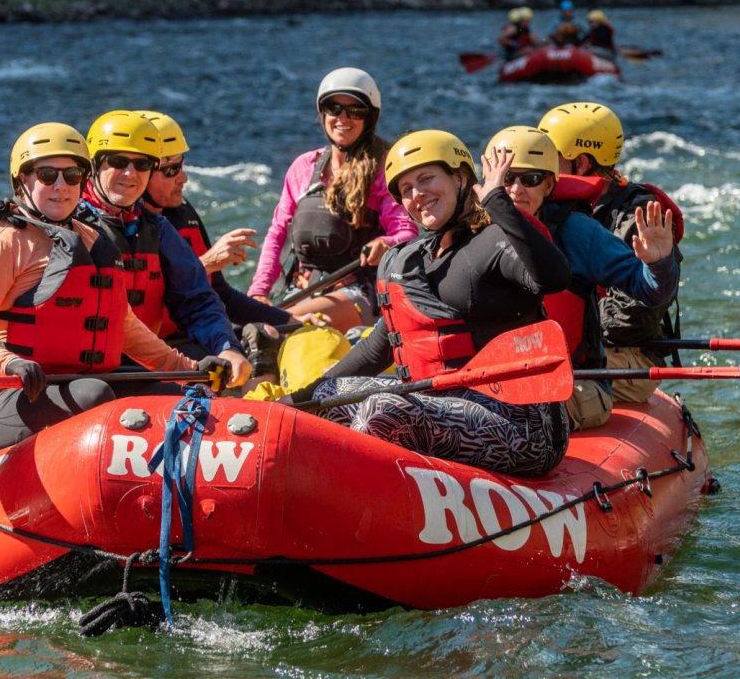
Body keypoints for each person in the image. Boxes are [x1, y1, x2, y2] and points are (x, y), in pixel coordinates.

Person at [285, 130, 572, 477]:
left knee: (382, 409)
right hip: (436, 402)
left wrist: (497, 200)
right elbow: (379, 347)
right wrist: (299, 400)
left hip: (522, 422)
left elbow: (554, 277)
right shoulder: (404, 260)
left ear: (460, 178)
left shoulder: (496, 243)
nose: (417, 195)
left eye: (426, 180)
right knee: (331, 396)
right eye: (406, 190)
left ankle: (360, 504)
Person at [0, 123, 226, 453]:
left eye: (72, 176)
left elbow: (126, 326)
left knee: (179, 398)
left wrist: (190, 370)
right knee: (94, 394)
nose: (61, 186)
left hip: (78, 386)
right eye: (47, 175)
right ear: (22, 180)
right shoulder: (5, 241)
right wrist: (8, 362)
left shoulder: (91, 240)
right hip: (5, 398)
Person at [486, 126, 677, 430]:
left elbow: (649, 290)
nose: (516, 189)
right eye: (507, 179)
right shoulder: (472, 231)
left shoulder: (576, 232)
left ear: (549, 185)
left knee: (509, 411)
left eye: (531, 179)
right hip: (497, 384)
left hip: (576, 384)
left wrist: (659, 264)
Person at [74, 110, 253, 388]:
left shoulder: (157, 228)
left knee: (229, 369)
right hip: (79, 374)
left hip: (140, 365)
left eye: (142, 164)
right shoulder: (66, 225)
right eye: (118, 162)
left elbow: (197, 300)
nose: (130, 174)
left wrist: (227, 347)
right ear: (94, 166)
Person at [248, 67, 419, 333]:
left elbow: (406, 232)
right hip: (302, 291)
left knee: (269, 329)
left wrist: (385, 243)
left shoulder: (384, 167)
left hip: (359, 293)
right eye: (334, 108)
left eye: (355, 111)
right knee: (251, 327)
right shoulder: (303, 167)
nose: (342, 117)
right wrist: (258, 292)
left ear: (370, 117)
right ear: (322, 113)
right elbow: (277, 234)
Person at [538, 102, 685, 404]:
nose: (538, 169)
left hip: (628, 355)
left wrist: (569, 330)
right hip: (579, 345)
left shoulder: (639, 216)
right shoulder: (554, 209)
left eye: (549, 158)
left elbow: (633, 315)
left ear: (580, 163)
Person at [133, 110, 303, 370]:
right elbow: (140, 304)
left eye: (182, 165)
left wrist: (292, 321)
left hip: (192, 339)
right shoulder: (124, 229)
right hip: (151, 352)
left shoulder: (182, 214)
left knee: (268, 334)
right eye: (172, 170)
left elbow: (222, 295)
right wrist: (206, 263)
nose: (184, 178)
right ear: (141, 174)